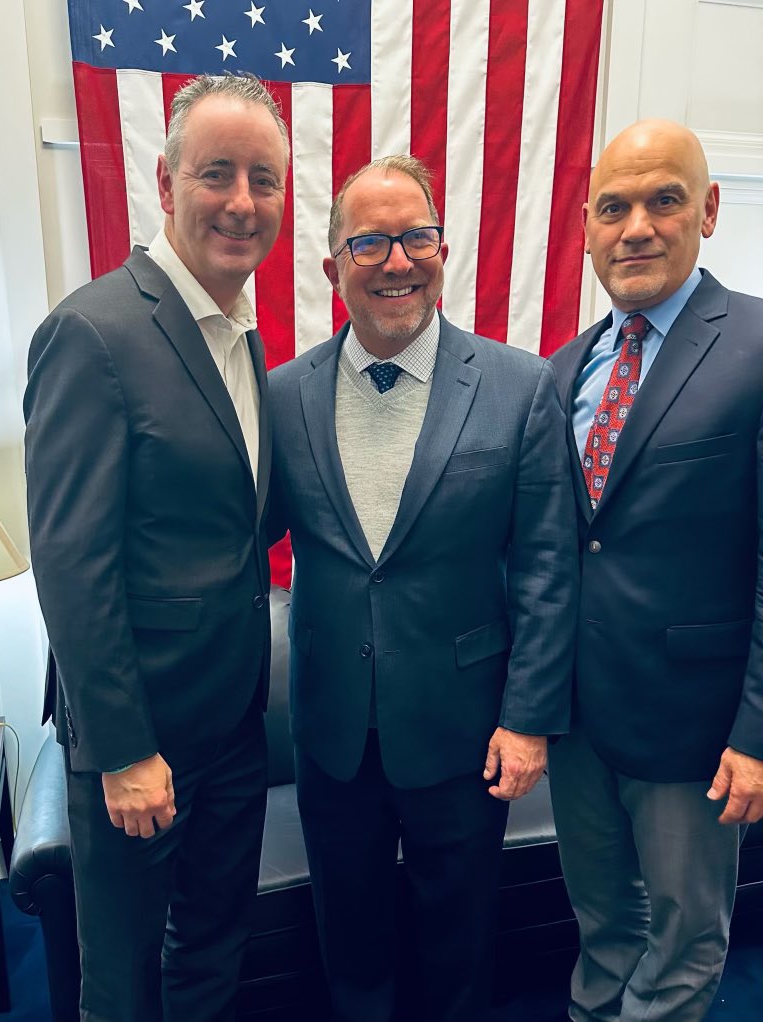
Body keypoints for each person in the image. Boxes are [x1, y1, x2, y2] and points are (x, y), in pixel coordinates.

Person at [267, 155, 578, 1022]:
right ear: (334, 269)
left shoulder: (520, 387)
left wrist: (528, 718)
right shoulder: (284, 396)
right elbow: (234, 541)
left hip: (465, 728)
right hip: (330, 734)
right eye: (369, 242)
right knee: (351, 941)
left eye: (417, 237)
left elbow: (550, 565)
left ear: (445, 249)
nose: (397, 261)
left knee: (460, 940)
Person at [23, 74, 288, 1022]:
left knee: (215, 950)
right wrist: (126, 750)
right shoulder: (93, 333)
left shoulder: (239, 337)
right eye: (218, 173)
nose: (243, 202)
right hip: (142, 748)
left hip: (232, 734)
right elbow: (72, 561)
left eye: (265, 178)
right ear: (168, 182)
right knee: (125, 984)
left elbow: (230, 519)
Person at [549, 119, 763, 1022]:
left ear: (708, 210)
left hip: (698, 729)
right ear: (589, 231)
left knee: (683, 941)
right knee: (603, 923)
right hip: (577, 723)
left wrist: (756, 730)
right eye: (613, 208)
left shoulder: (755, 345)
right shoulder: (568, 367)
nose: (636, 226)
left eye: (662, 200)